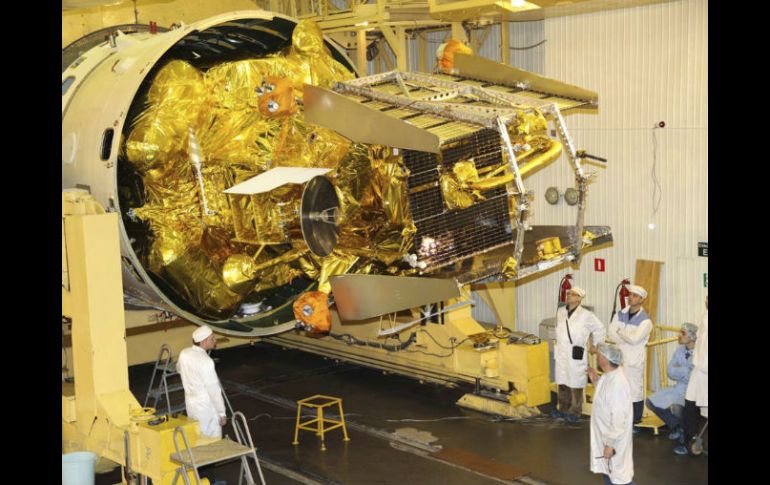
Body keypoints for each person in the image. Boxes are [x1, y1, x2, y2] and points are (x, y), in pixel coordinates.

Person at [553, 286, 606, 423]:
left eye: (573, 294)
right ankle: (563, 408)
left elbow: (600, 328)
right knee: (562, 380)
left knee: (575, 381)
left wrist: (596, 344)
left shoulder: (587, 315)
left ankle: (575, 411)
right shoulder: (561, 311)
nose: (569, 296)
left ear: (579, 298)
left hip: (575, 350)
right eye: (569, 293)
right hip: (562, 350)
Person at [588, 343, 634, 485]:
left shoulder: (618, 383)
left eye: (599, 355)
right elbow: (605, 399)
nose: (597, 357)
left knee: (619, 477)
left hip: (614, 439)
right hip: (605, 434)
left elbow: (619, 418)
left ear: (604, 360)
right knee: (609, 471)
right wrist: (596, 381)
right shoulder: (609, 376)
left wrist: (610, 444)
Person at [608, 285, 653, 425]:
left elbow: (635, 340)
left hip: (633, 359)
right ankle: (622, 417)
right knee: (619, 388)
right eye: (630, 295)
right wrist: (625, 336)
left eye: (634, 296)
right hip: (619, 356)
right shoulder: (620, 313)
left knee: (634, 389)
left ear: (641, 299)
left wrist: (620, 332)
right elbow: (610, 334)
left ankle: (635, 419)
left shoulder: (646, 321)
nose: (630, 298)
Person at [645, 322, 697, 440]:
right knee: (650, 401)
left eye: (683, 333)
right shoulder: (679, 350)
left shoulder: (700, 353)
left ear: (692, 336)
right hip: (679, 387)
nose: (679, 335)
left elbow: (693, 376)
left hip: (693, 391)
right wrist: (685, 371)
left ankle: (684, 440)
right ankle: (677, 426)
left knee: (677, 407)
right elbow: (670, 371)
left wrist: (680, 371)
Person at [177, 325, 227, 438]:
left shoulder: (184, 353)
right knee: (211, 439)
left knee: (196, 435)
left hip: (190, 403)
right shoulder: (206, 361)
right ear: (204, 341)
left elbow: (179, 369)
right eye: (212, 339)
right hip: (206, 407)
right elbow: (214, 390)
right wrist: (221, 413)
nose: (215, 341)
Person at [674, 296, 708, 455]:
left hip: (704, 370)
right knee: (690, 406)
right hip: (699, 371)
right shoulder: (704, 317)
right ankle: (688, 441)